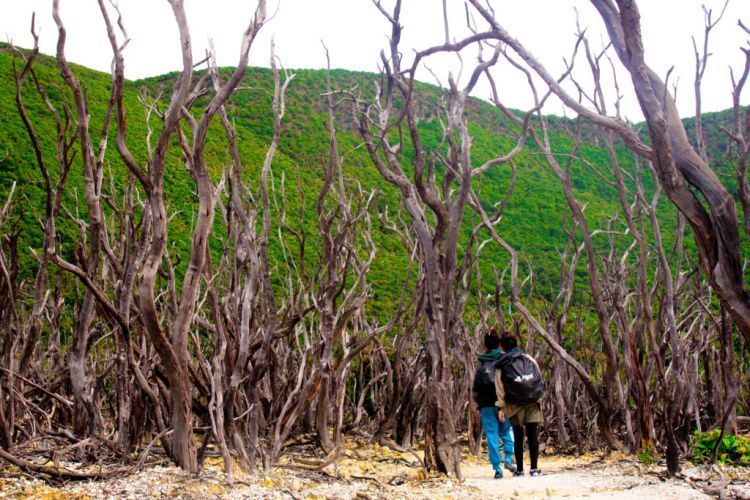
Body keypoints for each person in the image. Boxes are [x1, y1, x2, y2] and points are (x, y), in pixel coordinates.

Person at [495, 333, 545, 477]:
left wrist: (500, 406)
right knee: (532, 434)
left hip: (514, 404)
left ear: (502, 346)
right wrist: (539, 397)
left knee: (518, 436)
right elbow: (539, 378)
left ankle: (520, 470)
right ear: (516, 343)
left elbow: (499, 387)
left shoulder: (502, 363)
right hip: (532, 401)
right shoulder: (529, 359)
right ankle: (534, 469)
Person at [472, 331, 516, 479]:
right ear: (499, 344)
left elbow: (476, 387)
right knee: (506, 431)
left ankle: (497, 468)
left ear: (485, 344)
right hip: (504, 404)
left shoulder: (482, 364)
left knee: (492, 435)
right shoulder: (506, 360)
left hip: (486, 406)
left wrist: (479, 405)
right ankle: (509, 459)